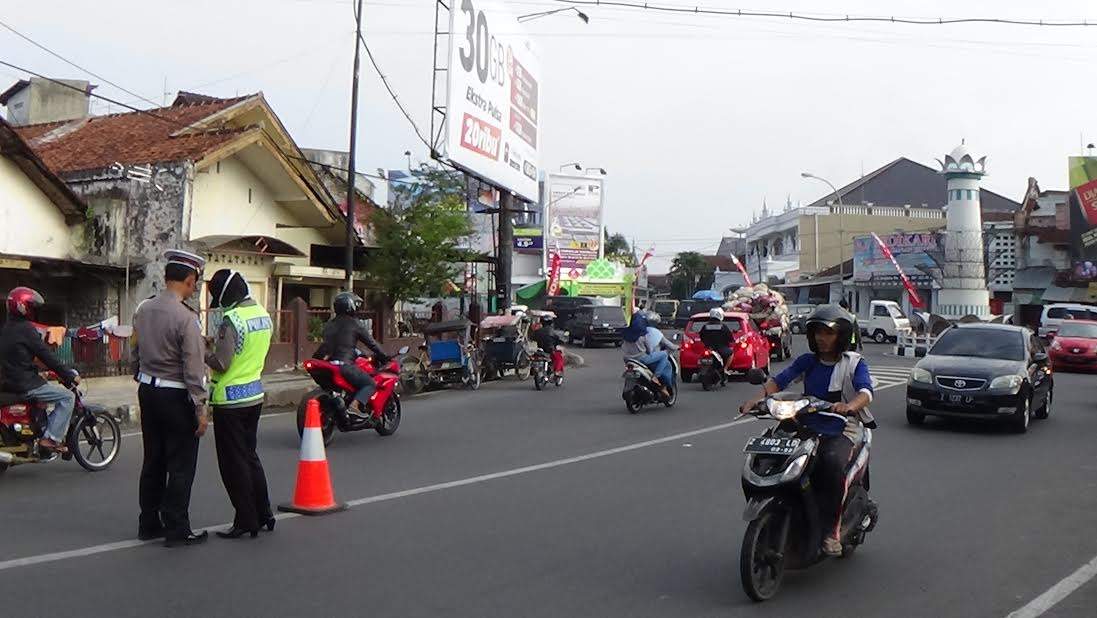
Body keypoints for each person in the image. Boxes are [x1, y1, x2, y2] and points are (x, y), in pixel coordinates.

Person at [740, 304, 875, 557]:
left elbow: (866, 392)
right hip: (803, 424)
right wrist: (755, 400)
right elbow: (779, 381)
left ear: (842, 336)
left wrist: (848, 406)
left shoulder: (854, 363)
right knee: (763, 455)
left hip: (840, 428)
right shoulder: (808, 361)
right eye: (817, 333)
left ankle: (831, 531)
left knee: (831, 464)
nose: (822, 339)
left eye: (829, 333)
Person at [133, 250, 210, 547]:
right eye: (194, 283)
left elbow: (134, 350)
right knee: (180, 463)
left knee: (153, 460)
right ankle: (177, 528)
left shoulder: (144, 309)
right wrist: (200, 408)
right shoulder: (186, 318)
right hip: (176, 396)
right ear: (190, 280)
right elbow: (193, 368)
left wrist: (138, 373)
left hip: (148, 391)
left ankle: (148, 522)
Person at [204, 269, 275, 540]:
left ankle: (246, 519)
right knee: (250, 456)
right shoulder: (262, 315)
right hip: (254, 395)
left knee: (233, 464)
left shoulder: (230, 320)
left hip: (230, 400)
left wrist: (203, 351)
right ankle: (264, 512)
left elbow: (222, 363)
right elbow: (247, 351)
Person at [0, 287, 80, 453]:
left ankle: (38, 431)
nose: (33, 311)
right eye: (31, 306)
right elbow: (46, 356)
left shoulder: (6, 329)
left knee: (44, 394)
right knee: (68, 397)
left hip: (10, 382)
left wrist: (40, 370)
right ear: (23, 307)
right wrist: (68, 374)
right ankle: (50, 439)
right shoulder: (26, 329)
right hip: (25, 384)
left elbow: (18, 360)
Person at [312, 292, 389, 417]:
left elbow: (329, 344)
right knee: (370, 384)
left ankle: (339, 407)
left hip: (326, 364)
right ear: (350, 306)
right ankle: (354, 406)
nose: (357, 308)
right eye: (356, 305)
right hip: (344, 365)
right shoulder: (355, 323)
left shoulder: (329, 324)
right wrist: (385, 356)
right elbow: (372, 344)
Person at [620, 312, 671, 399]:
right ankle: (656, 377)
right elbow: (649, 350)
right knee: (664, 355)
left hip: (627, 359)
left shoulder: (625, 336)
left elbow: (622, 347)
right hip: (641, 359)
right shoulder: (642, 336)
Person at [698, 308, 735, 373]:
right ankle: (725, 369)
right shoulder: (723, 326)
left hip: (709, 348)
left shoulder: (705, 326)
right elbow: (730, 337)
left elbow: (701, 336)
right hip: (721, 348)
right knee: (731, 353)